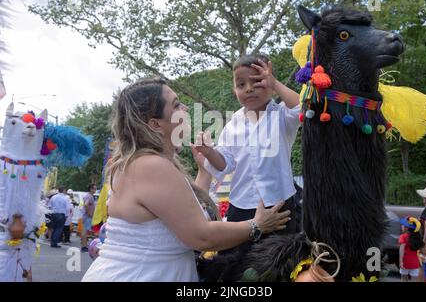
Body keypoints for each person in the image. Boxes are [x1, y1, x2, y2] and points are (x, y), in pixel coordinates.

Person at [82, 77, 290, 282]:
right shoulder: (151, 166)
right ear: (155, 124)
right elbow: (201, 236)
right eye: (176, 106)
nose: (186, 109)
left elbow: (184, 214)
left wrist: (204, 171)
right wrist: (257, 225)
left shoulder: (143, 163)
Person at [194, 54, 300, 238]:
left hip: (280, 203)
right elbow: (224, 164)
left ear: (270, 84)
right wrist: (209, 152)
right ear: (234, 91)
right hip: (241, 205)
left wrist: (274, 83)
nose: (249, 89)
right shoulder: (232, 124)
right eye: (241, 84)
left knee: (283, 258)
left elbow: (303, 108)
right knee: (238, 260)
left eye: (257, 81)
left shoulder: (282, 115)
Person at [398, 216, 424, 282]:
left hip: (405, 262)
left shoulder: (403, 236)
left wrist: (401, 261)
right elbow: (422, 251)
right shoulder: (418, 238)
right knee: (414, 280)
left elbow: (402, 249)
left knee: (404, 278)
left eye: (403, 225)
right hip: (415, 263)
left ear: (407, 227)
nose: (401, 226)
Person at [81, 183, 96, 252]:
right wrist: (89, 213)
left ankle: (84, 245)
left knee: (85, 231)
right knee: (85, 231)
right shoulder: (89, 196)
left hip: (86, 216)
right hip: (87, 216)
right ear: (90, 189)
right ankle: (84, 246)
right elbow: (86, 205)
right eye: (94, 188)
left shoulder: (88, 195)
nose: (95, 190)